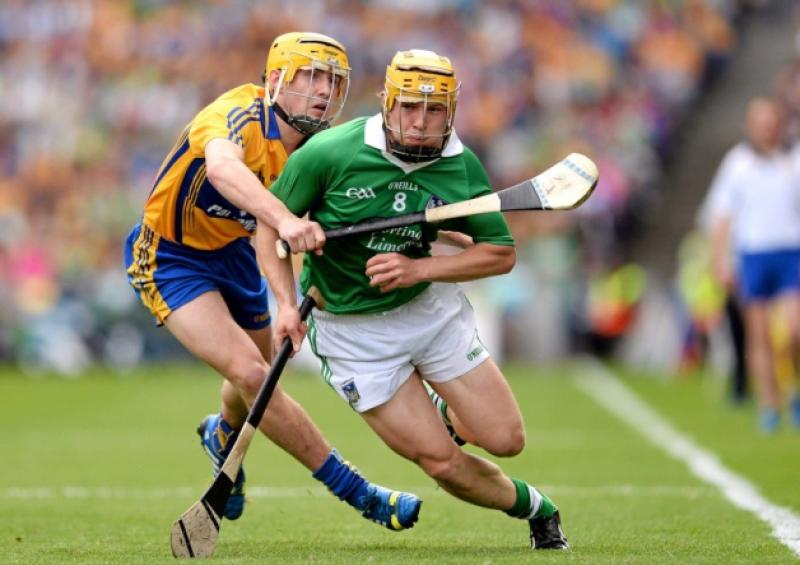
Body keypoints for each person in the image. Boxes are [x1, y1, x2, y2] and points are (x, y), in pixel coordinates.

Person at [262, 49, 570, 550]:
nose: (420, 122)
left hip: (430, 314)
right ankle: (538, 508)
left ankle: (444, 413)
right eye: (409, 107)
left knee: (506, 439)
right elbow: (268, 228)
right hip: (352, 333)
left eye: (433, 111)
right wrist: (283, 302)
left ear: (451, 110)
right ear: (386, 102)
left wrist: (419, 268)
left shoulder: (459, 165)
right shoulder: (328, 154)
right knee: (441, 462)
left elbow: (499, 253)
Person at [123, 32, 421, 529]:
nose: (324, 91)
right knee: (253, 374)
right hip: (171, 258)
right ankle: (358, 492)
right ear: (277, 79)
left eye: (332, 80)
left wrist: (287, 301)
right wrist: (284, 219)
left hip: (238, 255)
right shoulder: (236, 114)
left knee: (259, 374)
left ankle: (223, 434)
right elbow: (221, 168)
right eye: (311, 76)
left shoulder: (321, 147)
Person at [708, 96, 800, 432]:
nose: (765, 128)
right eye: (759, 121)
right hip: (754, 254)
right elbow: (722, 217)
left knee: (793, 330)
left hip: (791, 253)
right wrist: (720, 260)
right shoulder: (738, 163)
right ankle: (769, 403)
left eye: (770, 120)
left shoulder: (793, 159)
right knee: (758, 334)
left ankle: (794, 389)